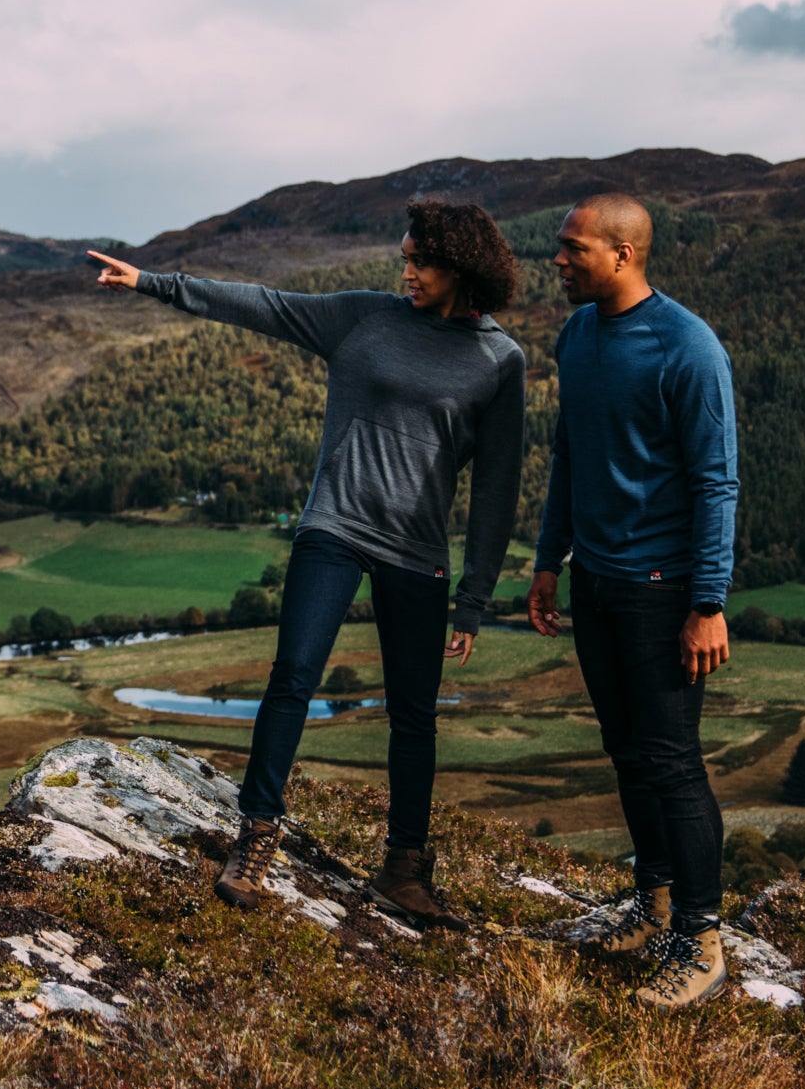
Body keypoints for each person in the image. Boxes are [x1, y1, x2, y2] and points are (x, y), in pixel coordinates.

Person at [91, 201, 526, 929]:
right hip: (335, 525)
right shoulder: (365, 317)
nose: (407, 271)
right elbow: (263, 304)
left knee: (414, 716)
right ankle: (256, 835)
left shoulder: (499, 361)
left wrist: (476, 595)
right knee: (293, 675)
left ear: (463, 269)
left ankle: (404, 870)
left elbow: (498, 490)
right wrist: (152, 282)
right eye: (405, 257)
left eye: (420, 260)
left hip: (418, 553)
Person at [526, 192, 739, 1010]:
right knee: (626, 747)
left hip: (663, 593)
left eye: (573, 247)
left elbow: (717, 482)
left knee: (673, 762)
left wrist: (707, 601)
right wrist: (549, 562)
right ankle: (653, 908)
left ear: (623, 255)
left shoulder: (688, 347)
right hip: (597, 582)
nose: (559, 259)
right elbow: (570, 458)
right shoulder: (578, 335)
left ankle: (702, 941)